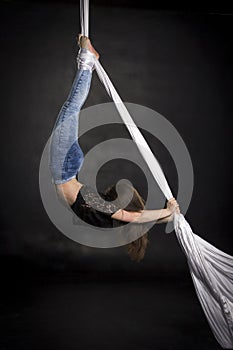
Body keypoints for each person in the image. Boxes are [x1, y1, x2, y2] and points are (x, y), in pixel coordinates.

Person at [49, 35, 180, 262]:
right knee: (71, 107)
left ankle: (87, 62)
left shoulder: (107, 212)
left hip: (66, 167)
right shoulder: (104, 212)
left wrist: (167, 214)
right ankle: (87, 62)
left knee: (71, 108)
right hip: (64, 167)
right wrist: (166, 214)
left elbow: (134, 217)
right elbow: (136, 217)